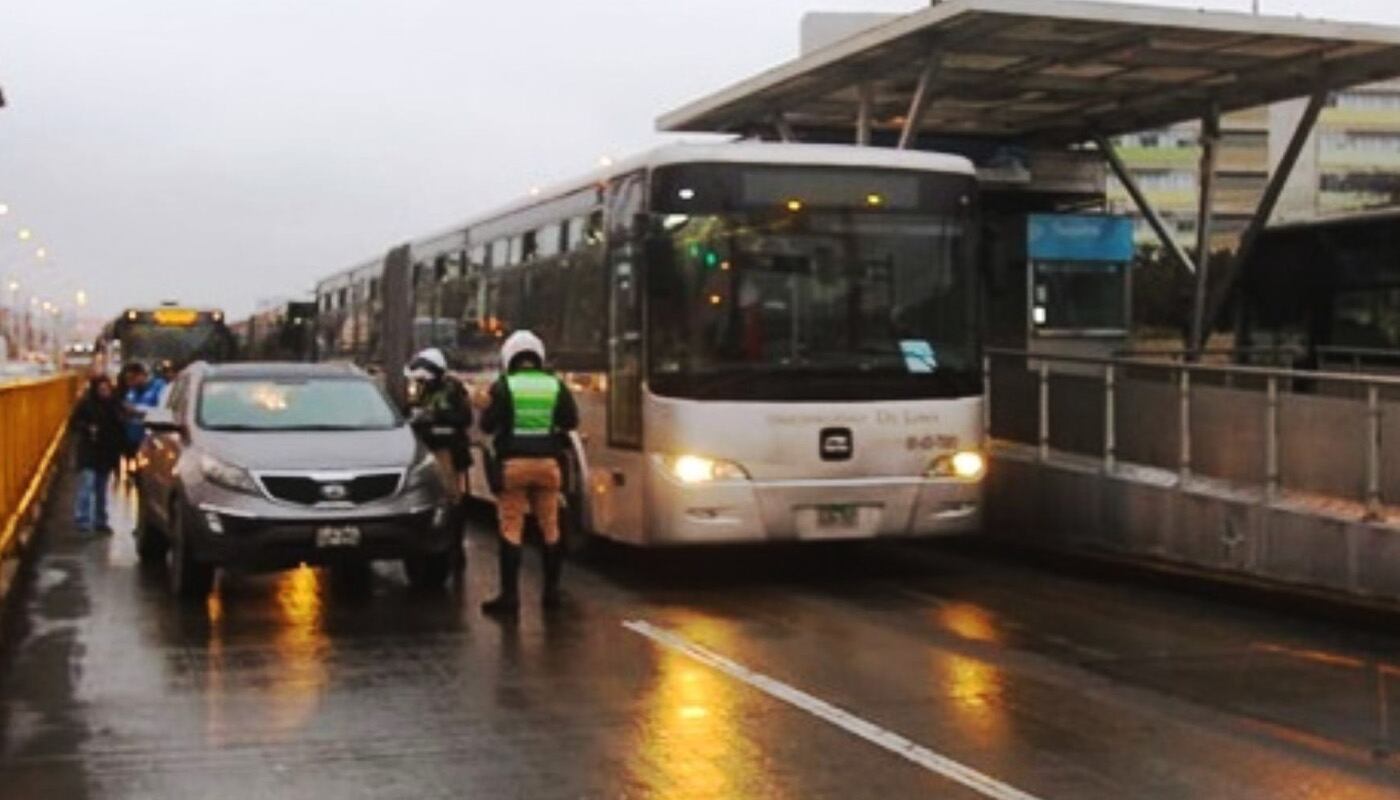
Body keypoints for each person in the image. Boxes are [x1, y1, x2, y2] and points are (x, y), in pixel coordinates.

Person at [478, 330, 579, 614]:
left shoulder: (504, 386)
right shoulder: (555, 385)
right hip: (549, 466)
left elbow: (487, 425)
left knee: (511, 527)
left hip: (514, 466)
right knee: (550, 526)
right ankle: (551, 593)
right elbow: (570, 420)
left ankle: (510, 597)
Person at [403, 347, 473, 573]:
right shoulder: (419, 390)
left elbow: (464, 417)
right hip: (425, 450)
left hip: (448, 453)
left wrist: (435, 416)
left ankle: (455, 548)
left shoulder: (453, 390)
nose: (421, 382)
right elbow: (408, 411)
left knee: (453, 501)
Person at [71, 376, 125, 533]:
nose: (105, 392)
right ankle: (83, 519)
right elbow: (73, 423)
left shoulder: (114, 405)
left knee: (101, 488)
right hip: (89, 451)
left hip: (105, 453)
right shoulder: (86, 405)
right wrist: (87, 428)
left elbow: (119, 429)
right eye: (102, 389)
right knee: (87, 484)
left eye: (107, 389)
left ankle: (99, 520)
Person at [120, 362, 165, 467]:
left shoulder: (159, 387)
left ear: (142, 375)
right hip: (132, 440)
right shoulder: (132, 392)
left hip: (151, 441)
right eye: (127, 380)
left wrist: (136, 410)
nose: (129, 383)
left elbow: (162, 411)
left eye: (132, 378)